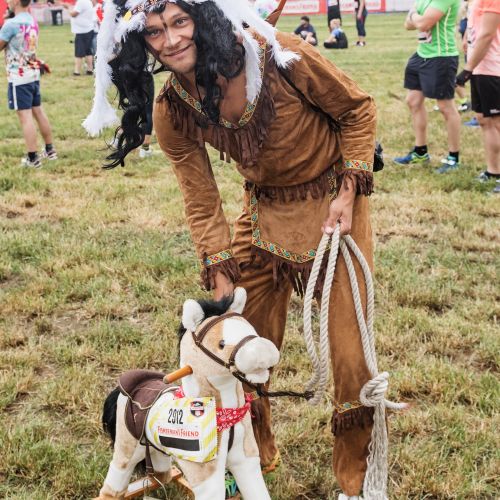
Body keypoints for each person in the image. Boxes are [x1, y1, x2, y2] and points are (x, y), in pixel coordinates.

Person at [85, 1, 394, 499]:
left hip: (335, 205)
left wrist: (348, 191)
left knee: (350, 353)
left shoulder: (280, 55)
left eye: (180, 22)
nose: (171, 40)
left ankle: (357, 484)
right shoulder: (172, 108)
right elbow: (200, 196)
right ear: (140, 43)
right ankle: (251, 455)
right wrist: (218, 265)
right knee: (236, 345)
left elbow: (357, 109)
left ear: (203, 18)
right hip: (263, 211)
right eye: (155, 32)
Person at [394, 0, 462, 174]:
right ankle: (420, 152)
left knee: (446, 107)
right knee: (413, 101)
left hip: (441, 57)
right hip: (421, 54)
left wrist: (414, 16)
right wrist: (416, 19)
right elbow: (408, 25)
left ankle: (453, 158)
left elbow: (423, 24)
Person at [0, 0, 57, 168]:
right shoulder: (32, 21)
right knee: (38, 111)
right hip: (32, 74)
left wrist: (5, 23)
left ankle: (33, 158)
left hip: (19, 77)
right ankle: (50, 150)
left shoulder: (11, 24)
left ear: (16, 1)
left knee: (25, 117)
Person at [457, 0, 500, 193]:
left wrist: (467, 69)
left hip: (494, 69)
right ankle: (493, 171)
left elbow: (487, 35)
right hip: (480, 68)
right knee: (484, 120)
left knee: (497, 122)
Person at [63, 0, 94, 75]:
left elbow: (73, 14)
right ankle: (90, 70)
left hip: (81, 31)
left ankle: (77, 71)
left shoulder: (81, 1)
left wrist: (68, 7)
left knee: (79, 52)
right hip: (87, 29)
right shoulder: (87, 1)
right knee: (88, 51)